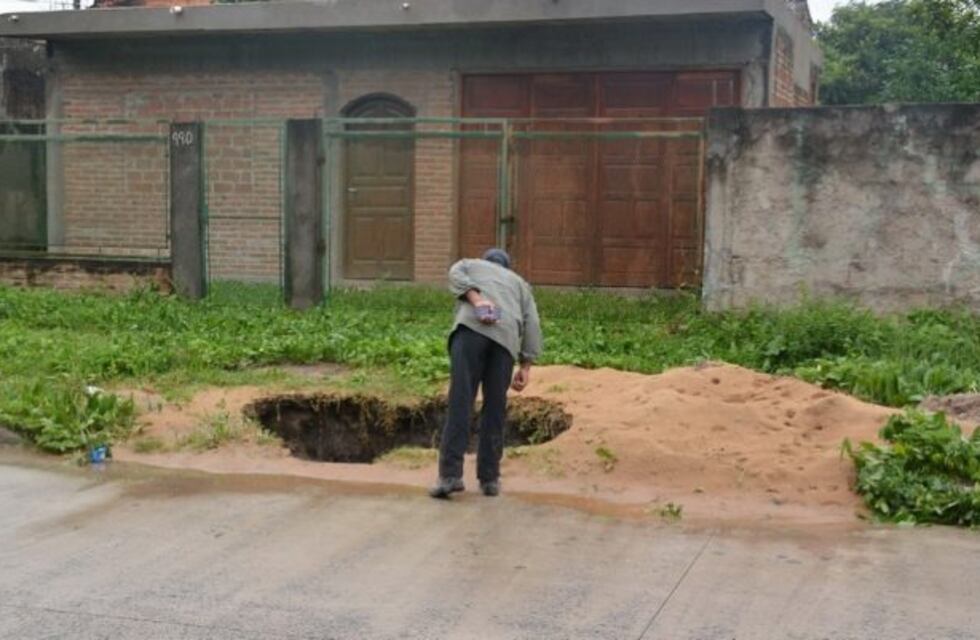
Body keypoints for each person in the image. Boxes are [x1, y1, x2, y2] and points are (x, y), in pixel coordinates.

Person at [429, 248, 542, 499]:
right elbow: (532, 323)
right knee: (495, 407)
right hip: (505, 342)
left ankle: (450, 476)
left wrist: (476, 299)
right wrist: (526, 365)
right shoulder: (520, 284)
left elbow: (454, 272)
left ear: (485, 261)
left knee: (461, 401)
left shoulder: (470, 264)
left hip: (470, 331)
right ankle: (489, 479)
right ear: (507, 267)